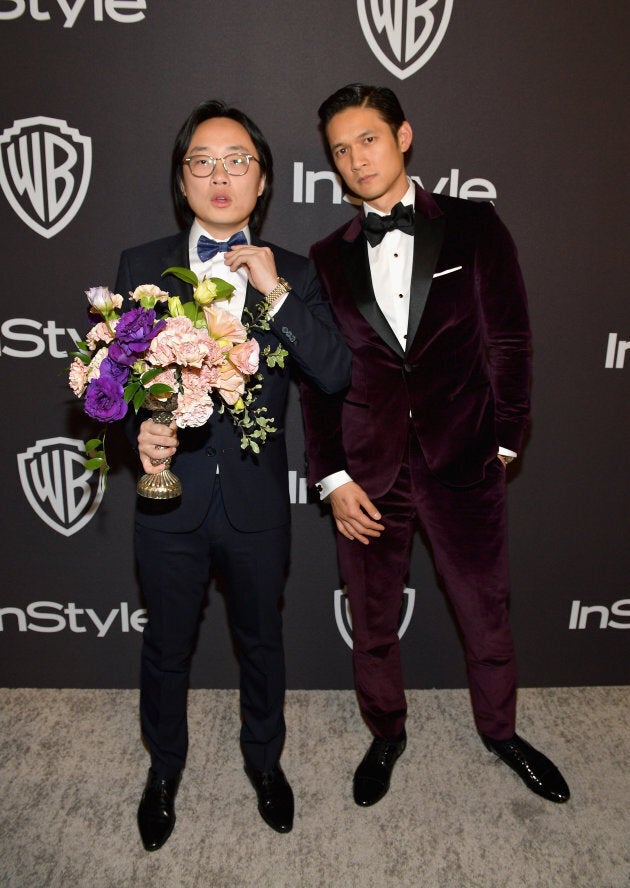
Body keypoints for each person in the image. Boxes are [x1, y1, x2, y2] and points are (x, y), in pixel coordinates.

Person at [300, 83, 570, 808]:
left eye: (369, 139)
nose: (357, 158)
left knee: (486, 611)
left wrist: (506, 441)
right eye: (340, 149)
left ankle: (502, 733)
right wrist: (330, 476)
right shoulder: (326, 256)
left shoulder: (476, 227)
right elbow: (319, 377)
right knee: (374, 619)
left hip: (463, 462)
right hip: (367, 470)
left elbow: (509, 340)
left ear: (404, 136)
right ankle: (385, 733)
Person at [115, 99, 351, 850]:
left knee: (262, 642)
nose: (221, 176)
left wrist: (276, 293)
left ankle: (265, 764)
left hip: (255, 504)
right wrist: (137, 432)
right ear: (182, 182)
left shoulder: (300, 274)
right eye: (203, 163)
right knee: (166, 646)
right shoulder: (140, 266)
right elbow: (115, 383)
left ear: (263, 181)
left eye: (237, 161)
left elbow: (336, 373)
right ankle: (163, 774)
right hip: (169, 504)